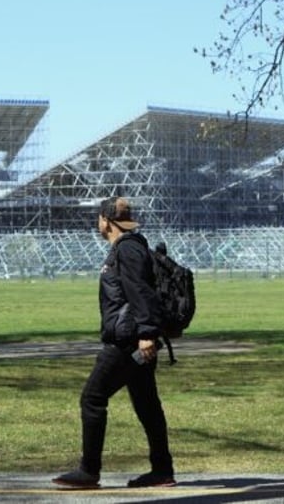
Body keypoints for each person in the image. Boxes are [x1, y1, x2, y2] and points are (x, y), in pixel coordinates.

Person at [53, 197, 175, 490]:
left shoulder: (128, 249)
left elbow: (139, 291)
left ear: (105, 220)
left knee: (92, 398)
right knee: (147, 405)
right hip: (135, 337)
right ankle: (162, 470)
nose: (97, 223)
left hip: (128, 341)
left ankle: (89, 471)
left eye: (98, 218)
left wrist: (146, 333)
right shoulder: (129, 247)